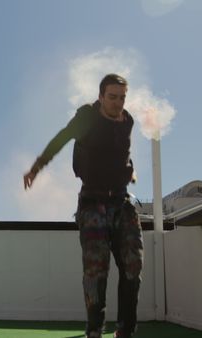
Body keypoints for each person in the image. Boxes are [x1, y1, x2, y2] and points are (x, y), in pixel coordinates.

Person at [23, 74, 143, 338]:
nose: (118, 103)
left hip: (122, 202)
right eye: (112, 97)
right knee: (96, 272)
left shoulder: (128, 121)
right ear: (100, 97)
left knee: (133, 266)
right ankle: (94, 331)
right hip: (93, 203)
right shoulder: (87, 117)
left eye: (122, 98)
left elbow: (122, 153)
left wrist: (130, 171)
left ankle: (125, 331)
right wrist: (36, 167)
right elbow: (62, 138)